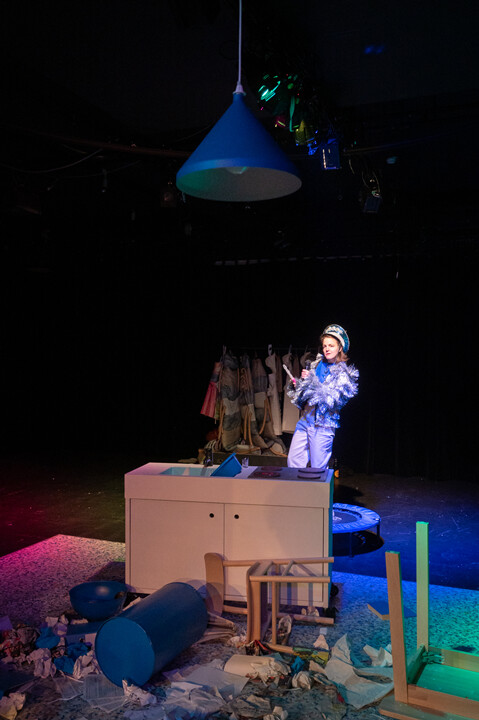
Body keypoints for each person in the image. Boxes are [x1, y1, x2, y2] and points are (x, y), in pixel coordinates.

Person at [287, 324, 359, 470]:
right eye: (325, 345)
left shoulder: (344, 374)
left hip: (323, 425)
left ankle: (319, 486)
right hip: (306, 419)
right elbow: (306, 394)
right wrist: (299, 384)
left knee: (318, 468)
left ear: (340, 348)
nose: (327, 349)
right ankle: (296, 486)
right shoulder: (317, 364)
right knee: (293, 461)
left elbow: (329, 400)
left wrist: (311, 382)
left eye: (331, 345)